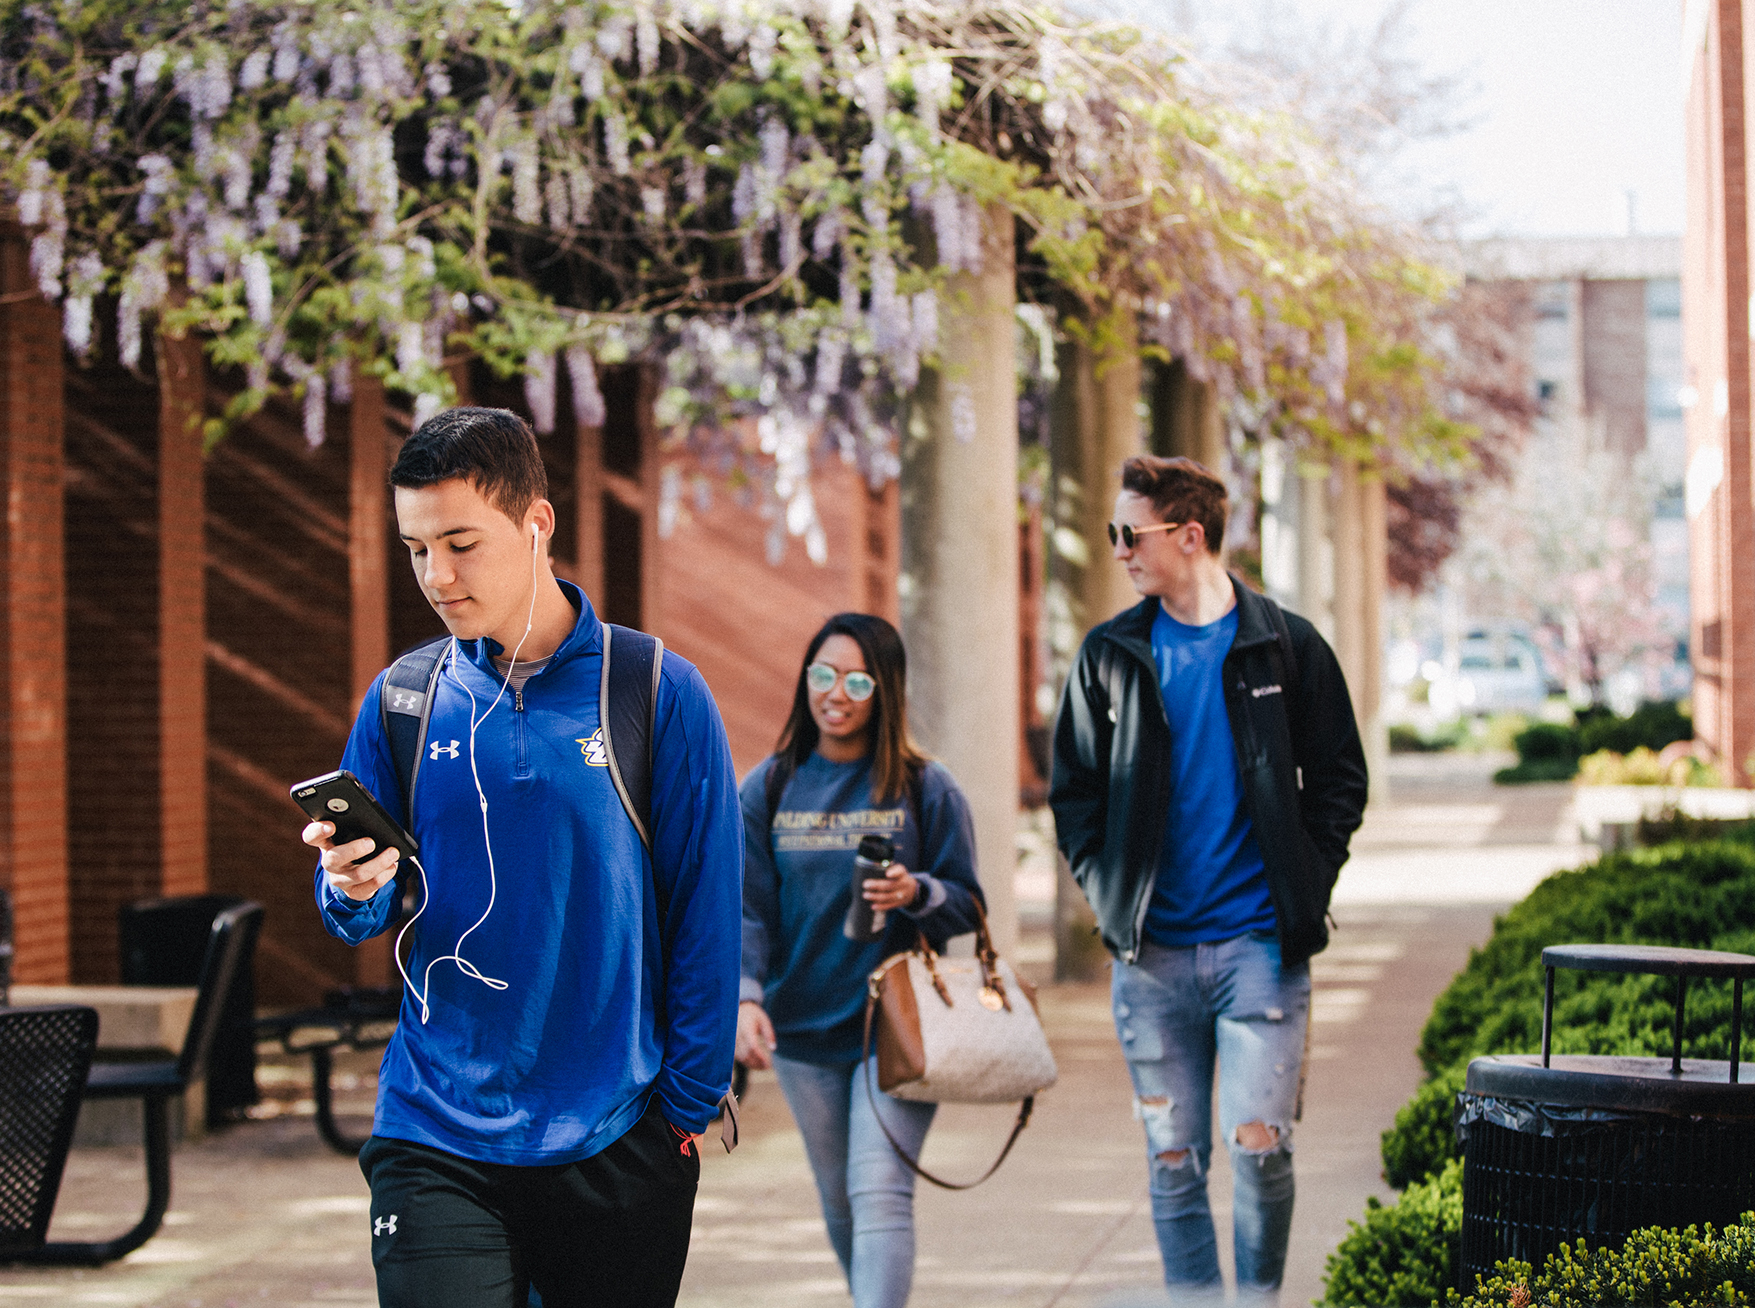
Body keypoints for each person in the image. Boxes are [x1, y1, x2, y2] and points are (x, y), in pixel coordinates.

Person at [301, 407, 742, 1308]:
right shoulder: (403, 700)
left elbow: (706, 914)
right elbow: (358, 906)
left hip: (615, 1135)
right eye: (417, 548)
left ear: (536, 523)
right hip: (434, 1126)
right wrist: (349, 885)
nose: (437, 575)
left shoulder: (652, 689)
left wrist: (681, 1116)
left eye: (460, 542)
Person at [1049, 455, 1368, 1305]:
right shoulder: (1110, 653)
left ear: (1188, 536)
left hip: (1259, 947)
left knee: (1260, 1145)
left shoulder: (1284, 645)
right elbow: (1072, 790)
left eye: (1130, 533)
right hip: (1150, 957)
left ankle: (1255, 1299)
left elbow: (1340, 779)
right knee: (1172, 1155)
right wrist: (1106, 885)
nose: (1117, 550)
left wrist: (1306, 881)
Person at [736, 613, 984, 1308]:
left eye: (854, 679)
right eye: (821, 674)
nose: (834, 693)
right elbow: (745, 909)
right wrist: (745, 995)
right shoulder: (769, 788)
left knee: (878, 1192)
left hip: (899, 1031)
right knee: (842, 1202)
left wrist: (917, 891)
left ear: (884, 690)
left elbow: (968, 903)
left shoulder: (924, 787)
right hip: (803, 1029)